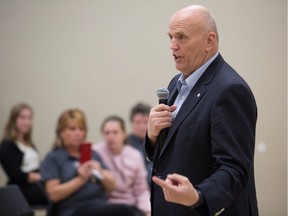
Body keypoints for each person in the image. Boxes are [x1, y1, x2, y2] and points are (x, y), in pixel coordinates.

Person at [144, 5, 258, 216]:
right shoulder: (175, 84)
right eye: (170, 37)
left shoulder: (229, 90)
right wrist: (152, 136)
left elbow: (234, 170)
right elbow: (175, 149)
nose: (172, 46)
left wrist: (198, 196)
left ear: (209, 41)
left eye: (181, 37)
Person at [40, 109, 133, 216]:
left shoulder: (92, 154)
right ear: (61, 132)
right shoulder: (54, 157)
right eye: (72, 129)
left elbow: (111, 186)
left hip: (99, 205)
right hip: (73, 210)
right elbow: (53, 194)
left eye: (81, 129)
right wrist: (81, 179)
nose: (78, 133)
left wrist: (100, 172)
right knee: (123, 211)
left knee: (130, 210)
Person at [93, 115, 151, 216]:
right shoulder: (96, 152)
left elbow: (141, 189)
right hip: (105, 205)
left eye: (115, 132)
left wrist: (148, 211)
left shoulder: (134, 155)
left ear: (124, 134)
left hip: (129, 204)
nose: (111, 136)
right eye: (107, 133)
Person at [0, 103, 49, 206]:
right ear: (14, 120)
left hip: (38, 184)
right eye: (23, 118)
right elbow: (16, 175)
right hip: (21, 190)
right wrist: (41, 176)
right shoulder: (7, 145)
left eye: (29, 118)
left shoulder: (29, 144)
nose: (27, 122)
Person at [127, 102, 153, 185]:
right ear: (131, 123)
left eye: (145, 122)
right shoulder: (124, 144)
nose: (142, 127)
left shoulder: (159, 142)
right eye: (138, 122)